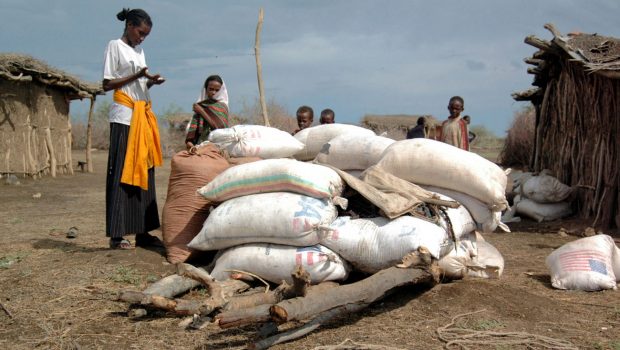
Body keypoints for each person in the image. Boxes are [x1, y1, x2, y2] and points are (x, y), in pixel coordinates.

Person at [102, 8, 166, 249]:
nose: (142, 38)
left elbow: (139, 83)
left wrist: (150, 81)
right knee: (121, 172)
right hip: (124, 118)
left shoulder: (139, 52)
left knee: (144, 171)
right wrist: (137, 75)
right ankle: (117, 235)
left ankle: (143, 231)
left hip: (141, 118)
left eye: (146, 35)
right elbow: (107, 84)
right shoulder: (114, 46)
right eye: (140, 32)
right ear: (129, 25)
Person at [185, 75, 230, 150]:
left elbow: (220, 128)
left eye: (217, 90)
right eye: (211, 89)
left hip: (217, 144)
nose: (213, 92)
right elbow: (191, 136)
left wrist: (202, 112)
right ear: (205, 89)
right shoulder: (200, 106)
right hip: (199, 145)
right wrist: (191, 145)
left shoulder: (222, 106)